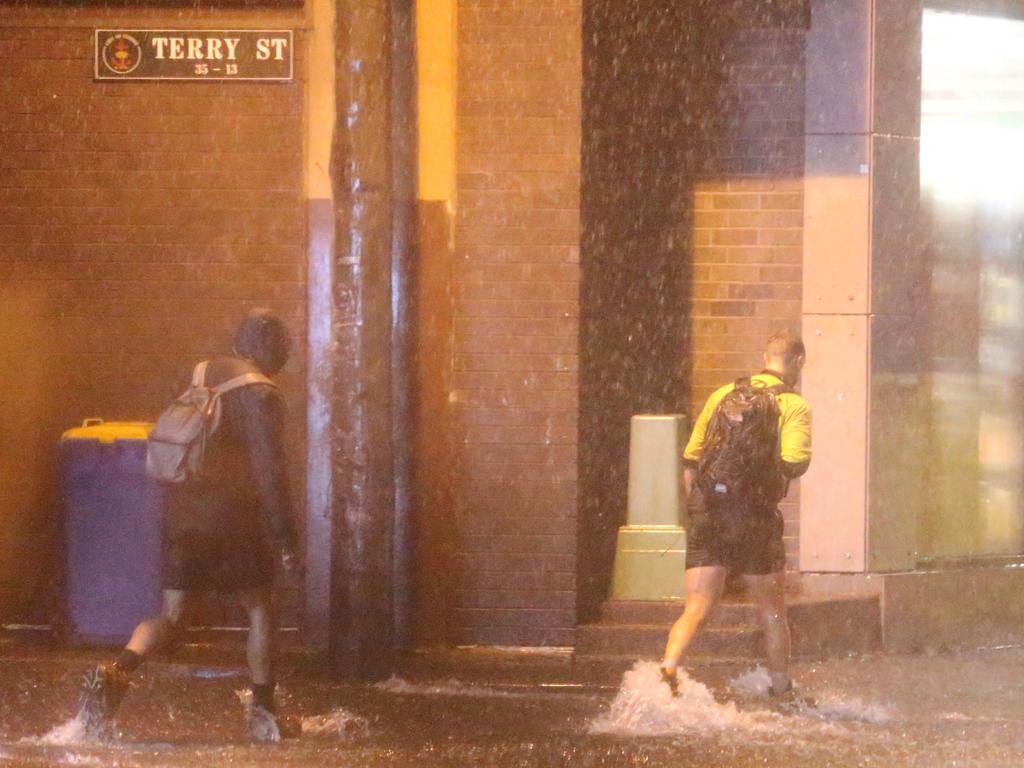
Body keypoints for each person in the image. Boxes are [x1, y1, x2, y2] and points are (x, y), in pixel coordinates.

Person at [77, 308, 303, 741]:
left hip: (182, 512)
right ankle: (264, 714)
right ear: (272, 350)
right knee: (260, 608)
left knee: (172, 616)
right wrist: (287, 541)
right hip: (234, 518)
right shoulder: (261, 394)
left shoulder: (198, 374)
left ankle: (115, 670)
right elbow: (270, 472)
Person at [660, 330, 812, 707]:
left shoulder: (723, 394)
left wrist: (700, 507)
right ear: (798, 362)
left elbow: (691, 458)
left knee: (696, 604)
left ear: (765, 355)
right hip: (755, 517)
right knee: (771, 609)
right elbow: (795, 463)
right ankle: (781, 689)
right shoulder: (792, 404)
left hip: (709, 512)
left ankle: (668, 667)